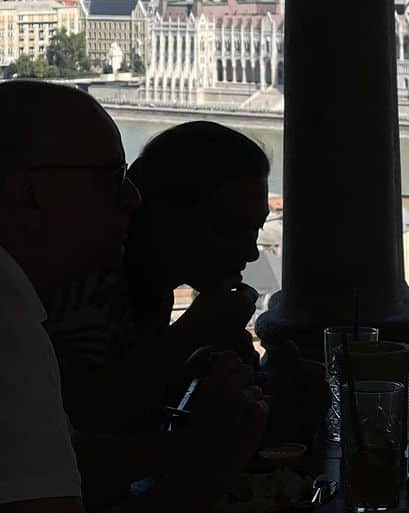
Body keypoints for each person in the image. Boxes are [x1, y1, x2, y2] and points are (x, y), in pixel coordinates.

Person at [0, 81, 267, 513]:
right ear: (27, 191)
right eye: (106, 179)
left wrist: (196, 441)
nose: (129, 201)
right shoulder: (13, 321)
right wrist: (207, 464)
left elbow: (55, 452)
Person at [44, 121, 322, 440]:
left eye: (255, 230)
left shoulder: (150, 284)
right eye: (230, 229)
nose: (250, 252)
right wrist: (191, 333)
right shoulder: (85, 288)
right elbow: (73, 420)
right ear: (164, 218)